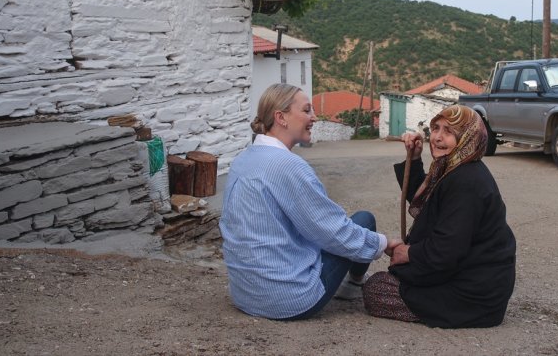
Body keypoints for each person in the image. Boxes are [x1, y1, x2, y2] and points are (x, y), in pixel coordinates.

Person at [220, 83, 401, 320]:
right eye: (306, 111)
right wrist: (384, 243)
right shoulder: (288, 166)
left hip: (245, 294)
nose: (314, 117)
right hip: (287, 300)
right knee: (364, 220)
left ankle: (349, 282)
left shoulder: (243, 159)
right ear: (281, 117)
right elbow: (333, 231)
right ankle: (353, 286)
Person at [362, 105, 516, 328]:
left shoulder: (466, 181)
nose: (437, 138)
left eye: (449, 132)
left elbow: (447, 249)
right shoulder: (455, 166)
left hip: (474, 294)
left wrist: (410, 253)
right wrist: (414, 158)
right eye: (435, 128)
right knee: (388, 280)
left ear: (468, 136)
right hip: (469, 277)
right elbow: (426, 200)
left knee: (376, 289)